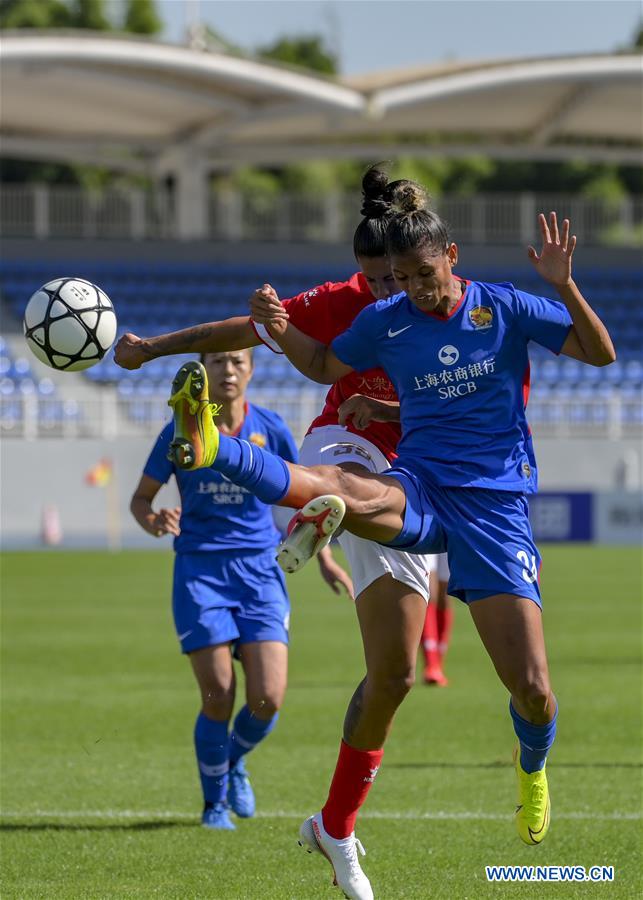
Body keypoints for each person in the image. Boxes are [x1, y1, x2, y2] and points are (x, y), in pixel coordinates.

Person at [161, 195, 615, 896]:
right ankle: (215, 444)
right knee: (348, 489)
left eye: (422, 273)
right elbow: (319, 365)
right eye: (399, 277)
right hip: (421, 485)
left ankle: (531, 767)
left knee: (532, 692)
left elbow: (599, 351)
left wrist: (562, 284)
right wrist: (279, 330)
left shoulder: (504, 307)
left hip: (494, 509)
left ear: (451, 258)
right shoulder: (386, 320)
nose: (410, 288)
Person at [115, 166, 435, 900]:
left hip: (414, 466)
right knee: (333, 476)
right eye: (368, 280)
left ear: (421, 264)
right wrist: (155, 346)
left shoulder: (451, 305)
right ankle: (300, 506)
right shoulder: (347, 301)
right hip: (332, 460)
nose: (380, 294)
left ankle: (325, 815)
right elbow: (248, 329)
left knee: (391, 675)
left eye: (389, 279)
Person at [130, 349, 351, 830]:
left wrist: (326, 558)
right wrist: (154, 520)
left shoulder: (269, 428)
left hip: (260, 570)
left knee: (268, 698)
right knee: (218, 696)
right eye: (217, 363)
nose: (227, 371)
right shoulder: (179, 430)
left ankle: (231, 762)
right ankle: (214, 804)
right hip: (200, 570)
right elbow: (141, 499)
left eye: (236, 362)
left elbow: (304, 497)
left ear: (250, 369)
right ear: (203, 372)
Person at [422, 553, 452, 686]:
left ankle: (438, 662)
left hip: (454, 531)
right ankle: (432, 664)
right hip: (427, 531)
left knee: (444, 595)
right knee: (429, 592)